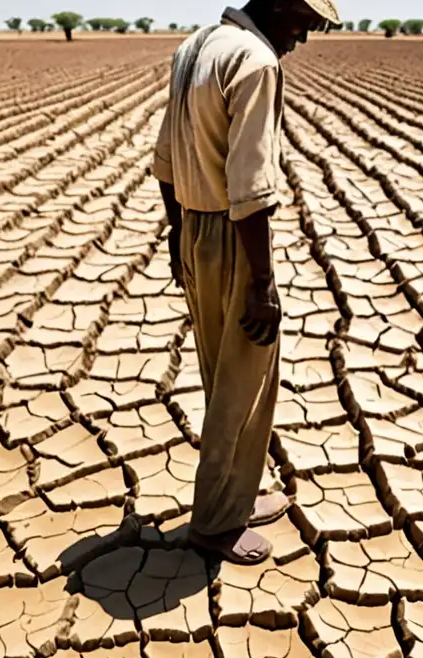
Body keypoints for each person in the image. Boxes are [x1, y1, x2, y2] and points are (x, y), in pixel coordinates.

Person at [153, 0, 340, 565]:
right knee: (245, 385)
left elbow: (165, 158)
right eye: (303, 21)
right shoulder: (257, 61)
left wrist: (177, 230)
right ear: (279, 2)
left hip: (194, 228)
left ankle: (235, 498)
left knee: (221, 372)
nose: (304, 37)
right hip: (234, 237)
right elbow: (251, 187)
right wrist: (262, 282)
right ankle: (214, 524)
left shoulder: (196, 46)